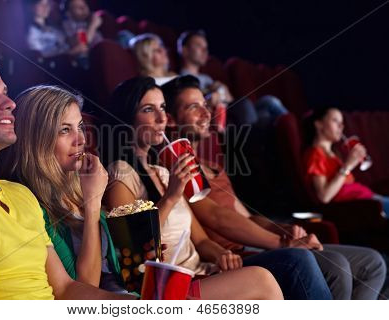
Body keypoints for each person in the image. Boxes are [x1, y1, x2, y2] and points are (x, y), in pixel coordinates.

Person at [160, 75, 387, 300]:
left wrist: (283, 230)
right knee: (335, 265)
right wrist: (283, 243)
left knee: (372, 262)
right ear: (170, 119)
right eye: (193, 107)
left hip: (257, 244)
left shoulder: (213, 167)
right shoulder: (176, 171)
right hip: (234, 256)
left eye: (205, 105)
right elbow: (217, 217)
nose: (206, 113)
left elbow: (246, 217)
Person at [0, 47, 131, 300]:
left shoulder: (19, 194)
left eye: (5, 93)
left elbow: (65, 289)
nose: (10, 103)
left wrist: (146, 307)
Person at [102, 77, 285, 300]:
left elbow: (200, 241)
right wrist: (170, 198)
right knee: (262, 279)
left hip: (200, 272)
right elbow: (133, 255)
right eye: (149, 109)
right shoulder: (120, 174)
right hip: (165, 287)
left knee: (278, 270)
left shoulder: (162, 172)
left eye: (162, 108)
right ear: (127, 119)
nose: (162, 118)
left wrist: (221, 254)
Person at [0, 85, 126, 293]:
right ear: (37, 140)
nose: (81, 140)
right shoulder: (28, 202)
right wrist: (92, 205)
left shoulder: (80, 185)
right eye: (65, 130)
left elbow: (109, 268)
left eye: (80, 126)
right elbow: (83, 288)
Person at [177, 30, 288, 128]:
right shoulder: (181, 79)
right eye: (198, 45)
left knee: (269, 102)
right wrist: (211, 97)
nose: (205, 50)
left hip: (236, 113)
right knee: (247, 106)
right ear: (185, 50)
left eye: (205, 46)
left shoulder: (206, 78)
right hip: (226, 119)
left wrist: (222, 89)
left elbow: (230, 100)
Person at [303, 107, 389, 217]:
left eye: (342, 122)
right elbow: (324, 196)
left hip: (370, 199)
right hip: (365, 206)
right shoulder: (315, 154)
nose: (341, 126)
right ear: (319, 124)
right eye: (335, 120)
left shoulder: (333, 154)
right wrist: (348, 166)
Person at [61, 0, 104, 68]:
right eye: (78, 7)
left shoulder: (89, 20)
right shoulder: (68, 25)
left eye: (84, 4)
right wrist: (93, 25)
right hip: (89, 59)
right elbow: (84, 42)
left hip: (104, 51)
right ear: (69, 13)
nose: (83, 8)